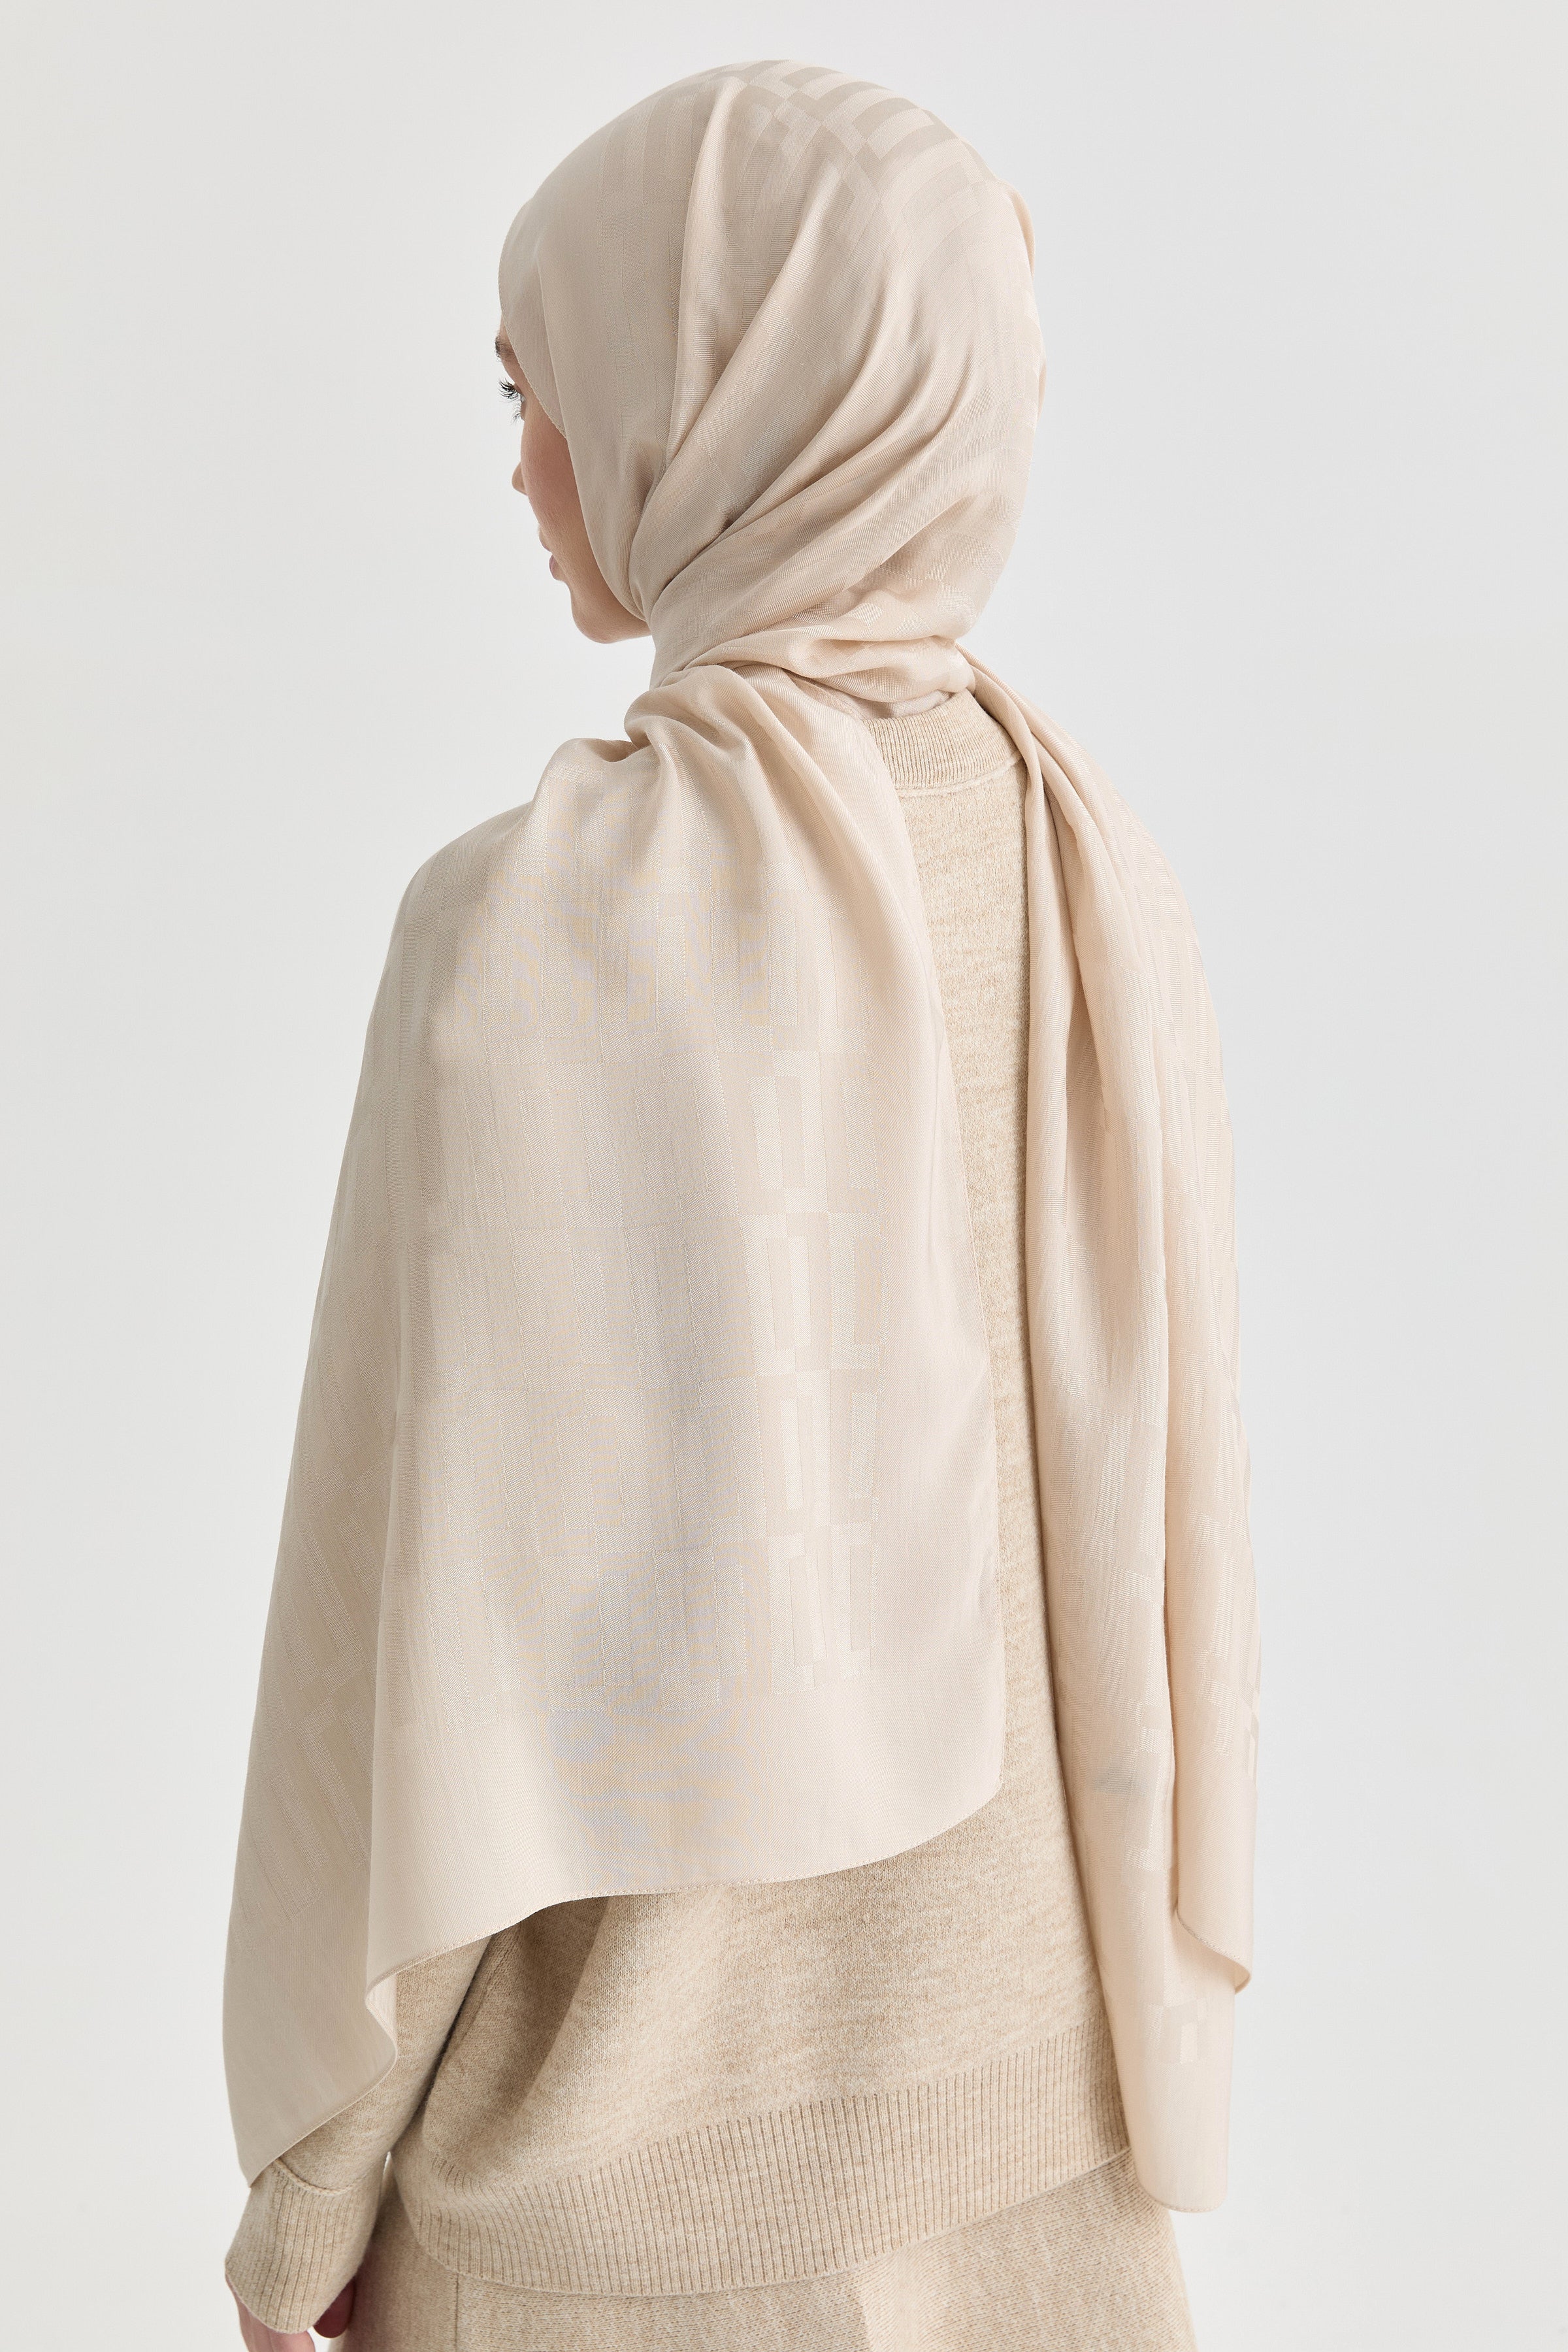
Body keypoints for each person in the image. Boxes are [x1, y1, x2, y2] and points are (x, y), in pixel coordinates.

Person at [224, 61, 1258, 2352]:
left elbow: (424, 1667)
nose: (525, 463)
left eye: (541, 387)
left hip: (598, 2241)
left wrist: (304, 2207)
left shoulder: (532, 928)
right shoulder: (1089, 871)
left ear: (723, 403)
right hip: (1047, 2176)